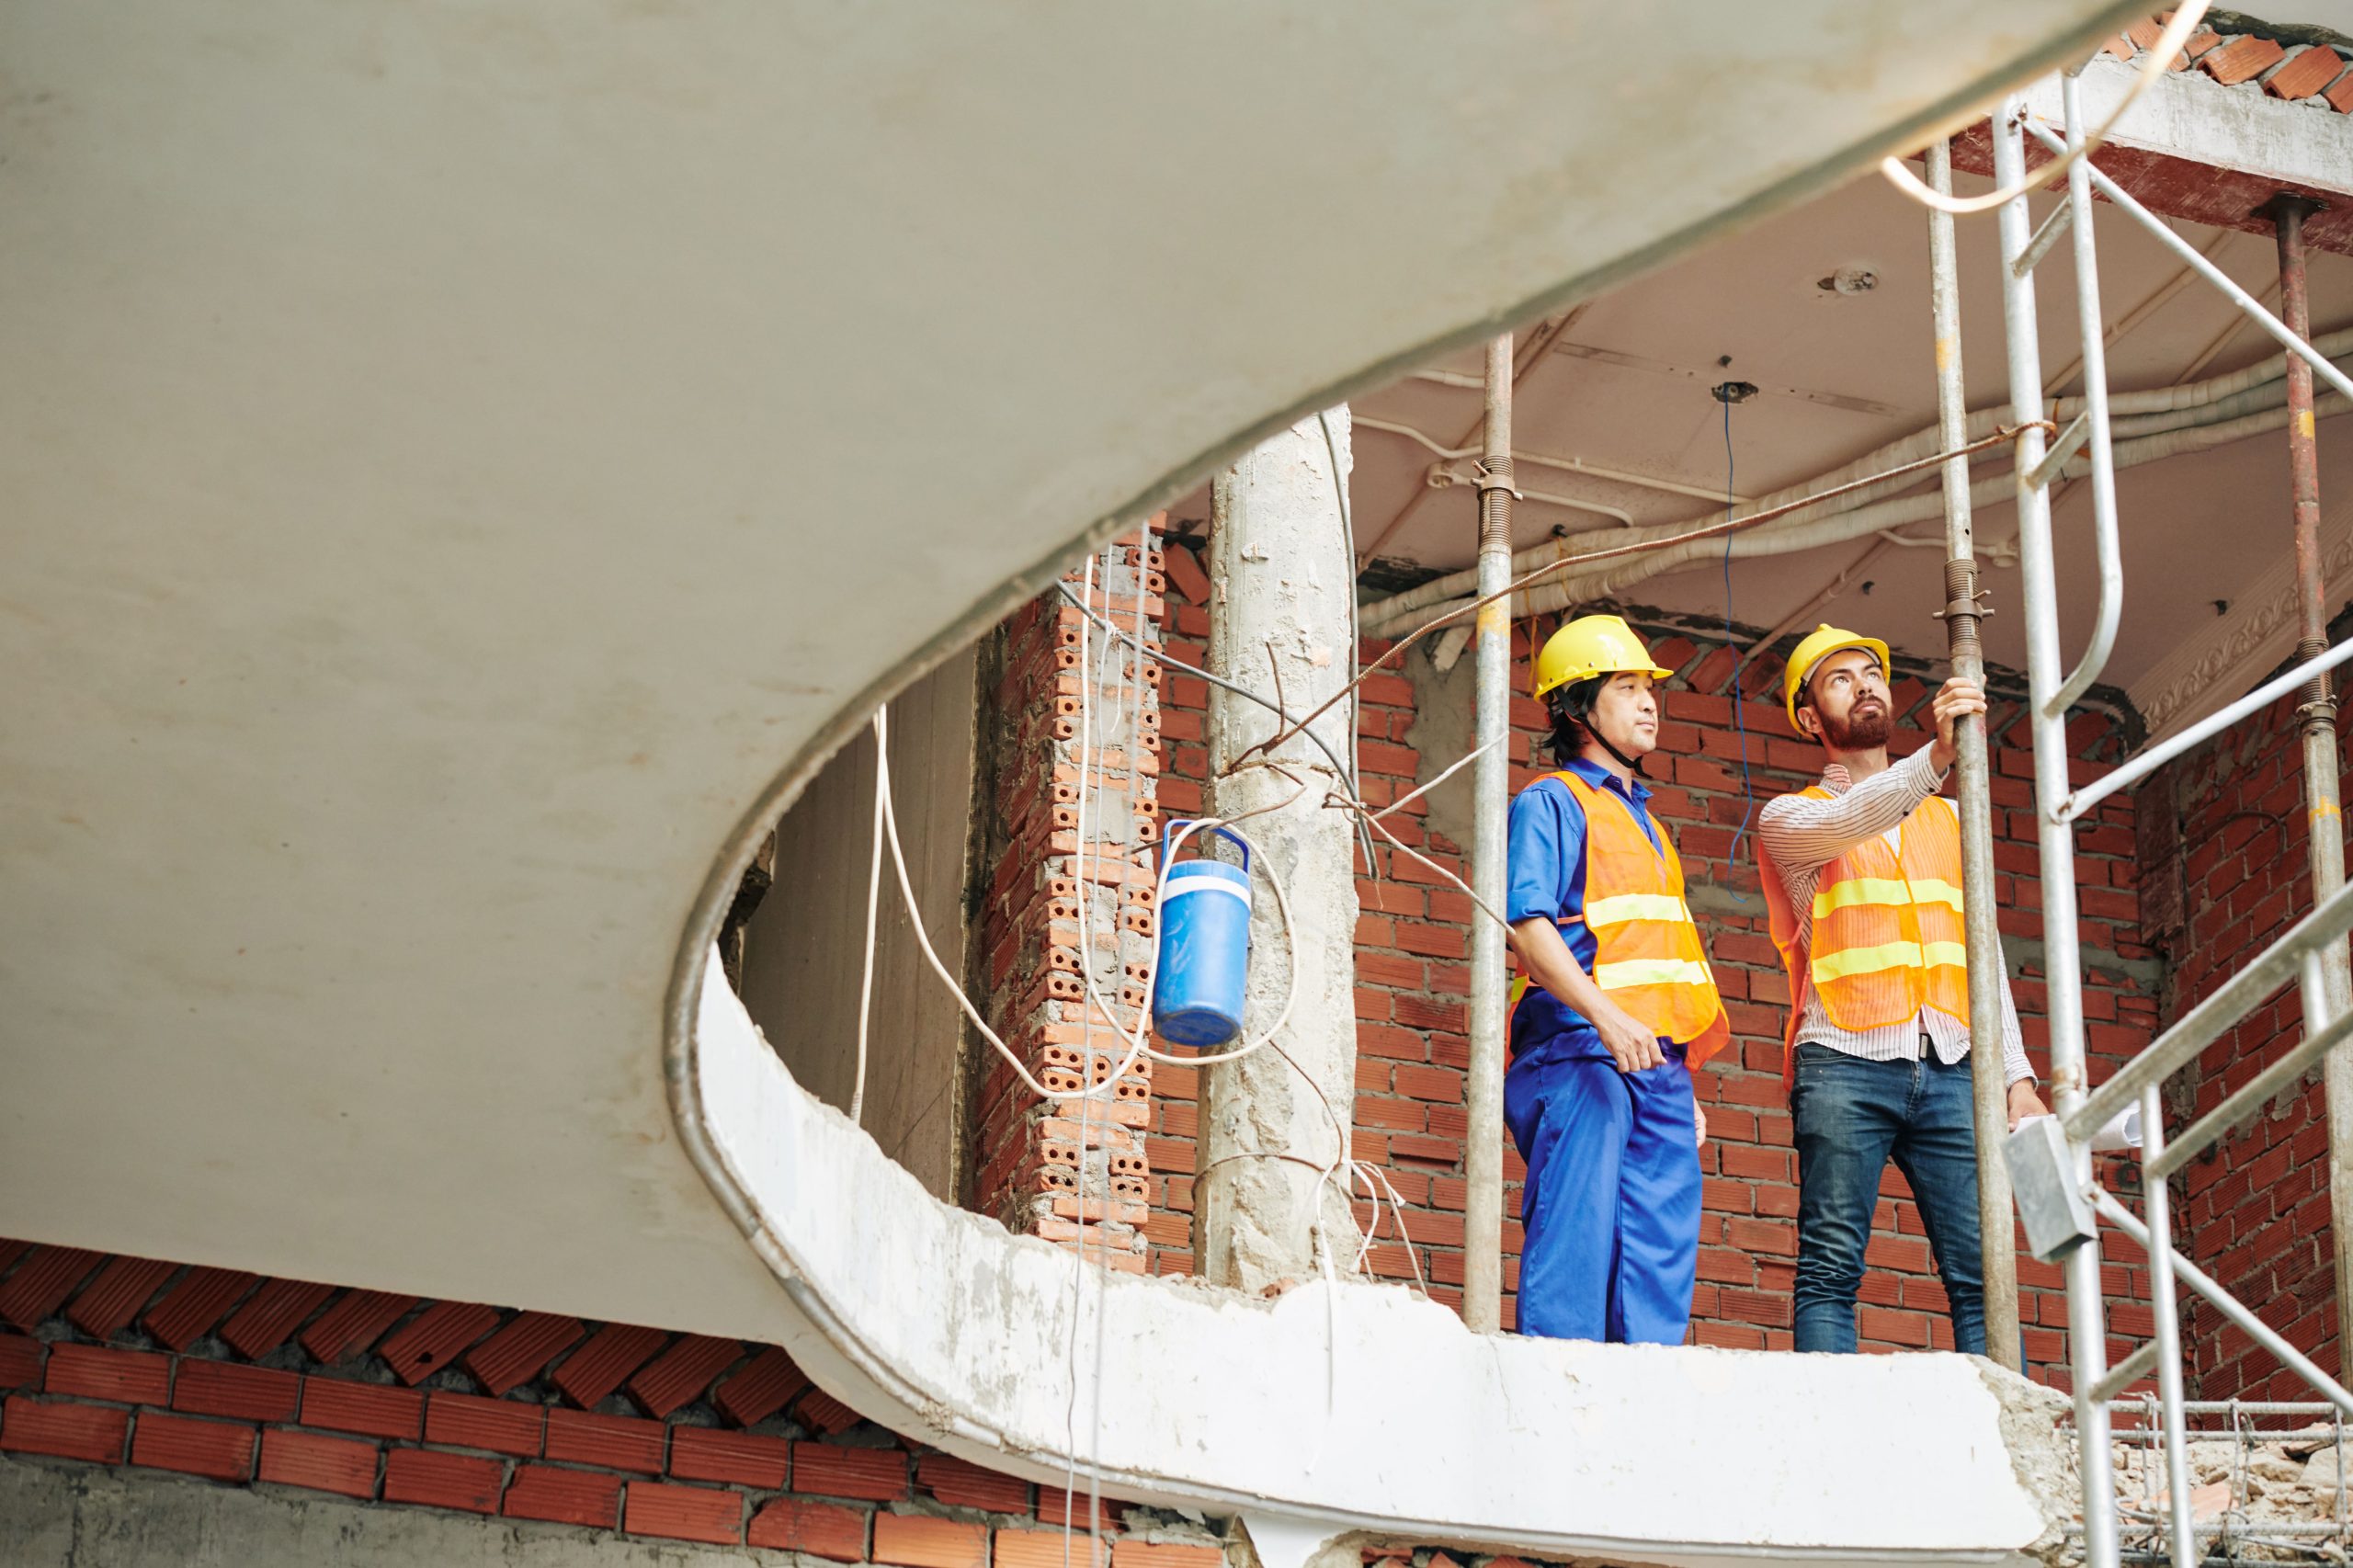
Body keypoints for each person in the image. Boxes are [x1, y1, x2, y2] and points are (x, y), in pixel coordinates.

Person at [1756, 625, 2049, 1356]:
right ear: (1807, 716)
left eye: (1872, 673)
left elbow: (1982, 955)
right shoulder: (1792, 818)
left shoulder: (1949, 818)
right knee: (1830, 1268)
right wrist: (1938, 757)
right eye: (1840, 680)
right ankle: (1834, 1438)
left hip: (1954, 1066)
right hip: (1844, 1063)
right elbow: (1860, 813)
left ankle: (2003, 1442)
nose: (1864, 686)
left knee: (1986, 1277)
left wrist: (2016, 1077)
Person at [1505, 613, 1729, 1344]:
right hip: (1580, 1052)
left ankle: (1640, 1412)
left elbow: (1659, 960)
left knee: (1659, 1257)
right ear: (1575, 708)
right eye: (1626, 687)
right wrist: (1605, 1017)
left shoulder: (1646, 824)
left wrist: (1678, 1070)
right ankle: (1552, 1406)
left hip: (1654, 1064)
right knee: (1578, 1244)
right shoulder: (1552, 801)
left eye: (1649, 688)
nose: (1648, 702)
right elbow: (1529, 929)